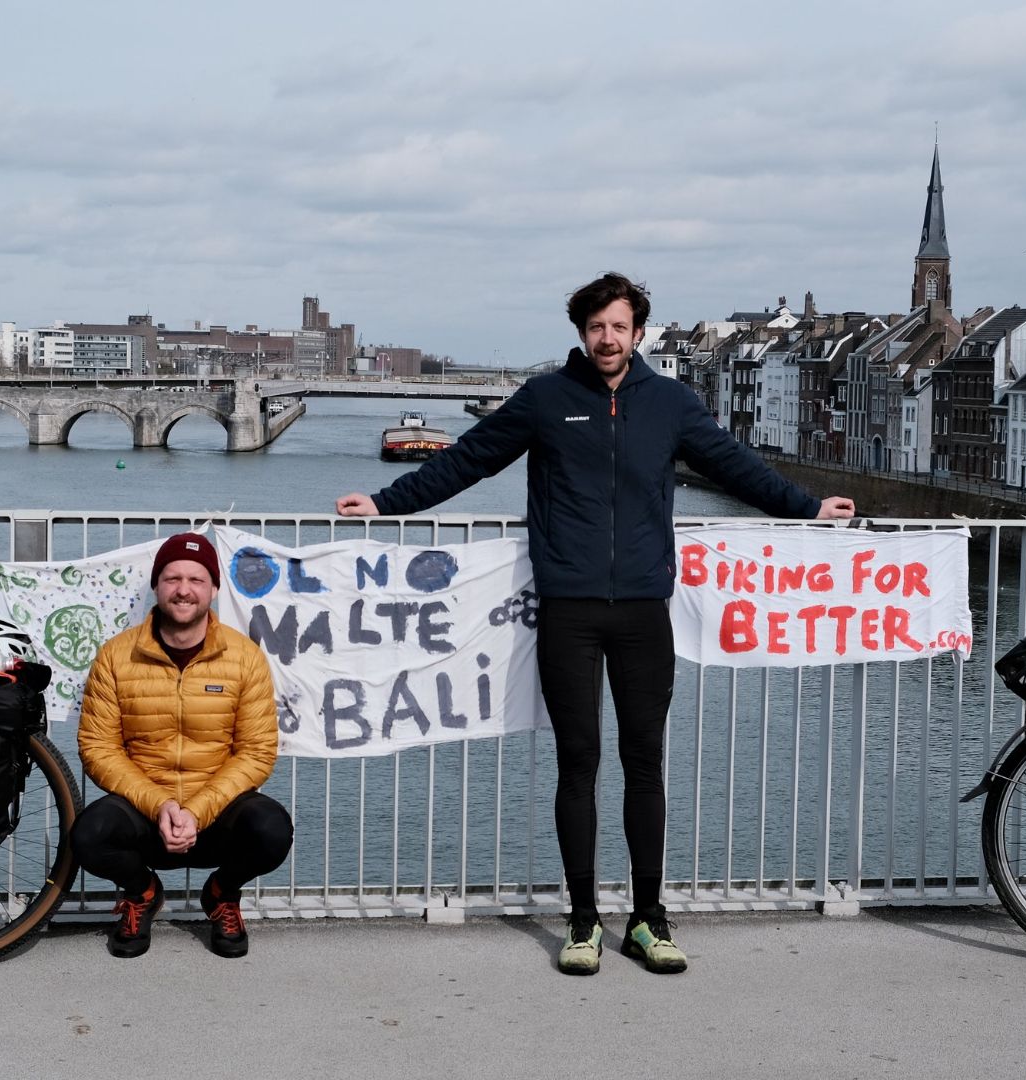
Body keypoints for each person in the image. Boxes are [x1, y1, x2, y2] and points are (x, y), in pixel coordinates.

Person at [336, 272, 853, 975]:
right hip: (569, 609)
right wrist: (387, 503)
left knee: (645, 764)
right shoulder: (546, 399)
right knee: (578, 764)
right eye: (596, 327)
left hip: (643, 610)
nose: (608, 339)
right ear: (581, 332)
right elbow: (468, 460)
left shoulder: (670, 403)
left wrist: (806, 507)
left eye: (619, 327)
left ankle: (648, 919)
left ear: (637, 333)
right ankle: (583, 921)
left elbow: (736, 468)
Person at [72, 531, 295, 959]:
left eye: (196, 579)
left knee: (272, 830)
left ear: (213, 589)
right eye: (172, 578)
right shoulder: (116, 656)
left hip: (216, 812)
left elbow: (256, 752)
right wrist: (160, 805)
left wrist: (196, 810)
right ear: (156, 586)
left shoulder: (245, 657)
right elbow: (98, 748)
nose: (184, 590)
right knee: (88, 835)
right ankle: (142, 893)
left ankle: (222, 894)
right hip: (146, 812)